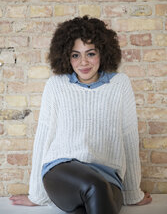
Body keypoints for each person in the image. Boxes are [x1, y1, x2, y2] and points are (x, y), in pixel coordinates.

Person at [10, 16, 152, 213]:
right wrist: (36, 194)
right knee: (96, 187)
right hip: (62, 172)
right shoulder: (56, 85)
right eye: (75, 55)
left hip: (108, 177)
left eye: (90, 53)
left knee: (91, 201)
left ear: (103, 52)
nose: (83, 62)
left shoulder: (120, 84)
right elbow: (43, 136)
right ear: (66, 56)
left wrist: (131, 192)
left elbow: (128, 137)